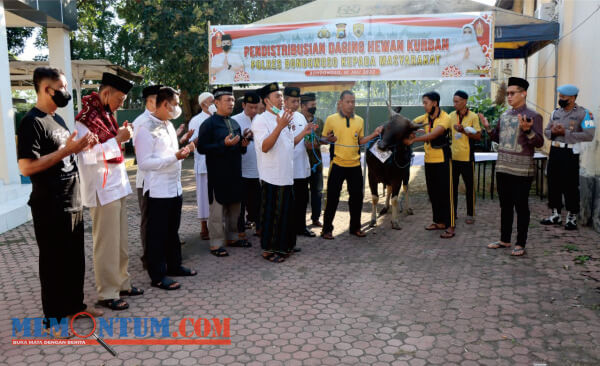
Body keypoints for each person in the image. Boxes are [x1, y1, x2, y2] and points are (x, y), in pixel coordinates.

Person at [17, 67, 103, 334]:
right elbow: (26, 167)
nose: (66, 92)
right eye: (62, 87)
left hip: (72, 199)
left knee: (74, 259)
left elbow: (66, 154)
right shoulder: (32, 122)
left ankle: (75, 306)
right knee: (53, 262)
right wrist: (67, 150)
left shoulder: (59, 120)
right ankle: (52, 319)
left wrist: (82, 146)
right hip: (49, 204)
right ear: (46, 89)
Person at [75, 72, 143, 311]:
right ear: (106, 93)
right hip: (101, 190)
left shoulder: (105, 115)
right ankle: (107, 292)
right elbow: (87, 155)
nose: (120, 105)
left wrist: (119, 137)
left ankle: (122, 282)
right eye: (120, 100)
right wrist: (118, 139)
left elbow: (110, 146)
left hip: (116, 186)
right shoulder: (84, 120)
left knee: (121, 242)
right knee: (106, 244)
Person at [134, 87, 197, 290]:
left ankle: (174, 265)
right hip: (158, 190)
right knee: (157, 234)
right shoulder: (145, 127)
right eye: (175, 104)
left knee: (172, 231)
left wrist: (184, 149)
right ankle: (158, 275)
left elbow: (171, 152)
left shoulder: (168, 125)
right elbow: (144, 163)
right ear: (164, 104)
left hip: (174, 187)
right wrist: (174, 157)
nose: (177, 108)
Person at [480, 77, 544, 256]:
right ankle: (505, 240)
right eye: (507, 93)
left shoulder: (533, 116)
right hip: (503, 167)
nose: (509, 97)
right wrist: (487, 128)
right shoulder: (504, 115)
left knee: (521, 206)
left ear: (523, 93)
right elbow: (499, 139)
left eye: (512, 93)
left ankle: (520, 243)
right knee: (505, 206)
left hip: (522, 170)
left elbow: (539, 142)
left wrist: (528, 130)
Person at [252, 82, 315, 262]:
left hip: (287, 175)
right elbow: (265, 147)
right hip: (272, 176)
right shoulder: (261, 120)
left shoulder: (282, 117)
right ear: (266, 101)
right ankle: (268, 250)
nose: (281, 100)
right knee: (272, 214)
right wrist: (279, 127)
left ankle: (285, 246)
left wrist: (305, 131)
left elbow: (290, 144)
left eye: (281, 96)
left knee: (286, 213)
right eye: (277, 96)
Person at [197, 86, 251, 257]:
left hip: (235, 173)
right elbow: (202, 148)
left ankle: (233, 238)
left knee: (235, 208)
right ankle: (216, 243)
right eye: (228, 100)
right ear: (217, 102)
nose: (231, 103)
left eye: (233, 100)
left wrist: (242, 145)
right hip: (217, 174)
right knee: (217, 210)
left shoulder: (235, 123)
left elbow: (239, 150)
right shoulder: (208, 124)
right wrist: (223, 145)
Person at [321, 90, 382, 240]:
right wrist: (328, 139)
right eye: (348, 101)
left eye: (353, 101)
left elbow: (360, 141)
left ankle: (355, 228)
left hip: (354, 165)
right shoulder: (331, 119)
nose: (351, 104)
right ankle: (326, 229)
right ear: (340, 102)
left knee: (356, 198)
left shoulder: (359, 120)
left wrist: (374, 134)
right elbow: (323, 138)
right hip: (337, 164)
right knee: (332, 198)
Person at [541, 84, 596, 230]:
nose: (561, 99)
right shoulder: (555, 113)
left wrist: (564, 133)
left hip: (570, 153)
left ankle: (571, 216)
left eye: (563, 97)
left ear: (572, 98)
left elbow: (589, 135)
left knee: (570, 186)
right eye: (560, 96)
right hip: (555, 151)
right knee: (553, 183)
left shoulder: (585, 114)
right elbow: (546, 132)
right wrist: (553, 132)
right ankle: (555, 214)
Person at [408, 91, 455, 238]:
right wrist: (413, 129)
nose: (424, 106)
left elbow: (435, 134)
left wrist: (414, 140)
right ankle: (438, 221)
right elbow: (411, 123)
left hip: (442, 160)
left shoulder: (445, 117)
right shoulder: (426, 118)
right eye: (423, 103)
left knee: (446, 194)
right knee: (433, 194)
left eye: (426, 103)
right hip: (429, 161)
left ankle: (450, 225)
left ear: (435, 103)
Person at [132, 84, 162, 268]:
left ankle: (159, 253)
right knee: (149, 220)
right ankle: (148, 257)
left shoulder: (158, 120)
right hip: (147, 180)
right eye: (160, 101)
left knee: (159, 219)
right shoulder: (141, 122)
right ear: (150, 101)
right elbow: (142, 155)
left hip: (161, 179)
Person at [284, 86, 315, 237]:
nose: (296, 104)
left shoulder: (301, 117)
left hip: (302, 167)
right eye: (293, 101)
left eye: (298, 101)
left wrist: (310, 139)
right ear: (285, 101)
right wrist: (304, 132)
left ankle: (301, 227)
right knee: (290, 203)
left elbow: (306, 141)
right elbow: (289, 143)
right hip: (288, 169)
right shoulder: (281, 117)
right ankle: (290, 230)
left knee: (303, 200)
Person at [449, 90, 481, 224]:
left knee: (469, 187)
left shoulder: (473, 116)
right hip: (453, 158)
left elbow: (478, 136)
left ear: (465, 101)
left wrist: (463, 131)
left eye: (457, 101)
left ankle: (470, 214)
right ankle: (453, 213)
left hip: (467, 158)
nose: (454, 104)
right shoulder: (450, 116)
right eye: (454, 101)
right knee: (452, 187)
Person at [232, 90, 261, 237]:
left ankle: (259, 227)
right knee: (240, 203)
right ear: (243, 105)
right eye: (250, 107)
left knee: (257, 201)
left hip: (259, 169)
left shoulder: (262, 119)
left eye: (256, 107)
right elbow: (230, 145)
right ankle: (240, 231)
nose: (254, 110)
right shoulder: (234, 120)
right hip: (241, 169)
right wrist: (241, 144)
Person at [188, 92, 216, 240]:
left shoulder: (219, 118)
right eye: (211, 101)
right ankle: (204, 226)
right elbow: (192, 143)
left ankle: (217, 225)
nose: (214, 104)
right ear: (203, 104)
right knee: (204, 195)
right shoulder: (196, 120)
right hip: (203, 163)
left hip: (218, 163)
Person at [300, 93, 326, 228]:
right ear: (303, 106)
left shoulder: (319, 121)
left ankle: (315, 218)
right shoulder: (297, 120)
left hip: (316, 163)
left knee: (317, 192)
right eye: (312, 106)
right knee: (302, 194)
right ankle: (300, 221)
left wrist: (327, 140)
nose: (314, 108)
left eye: (315, 105)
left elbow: (321, 138)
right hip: (301, 164)